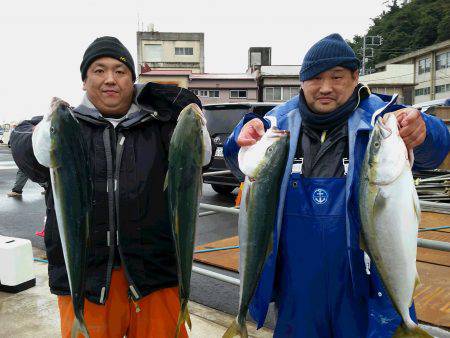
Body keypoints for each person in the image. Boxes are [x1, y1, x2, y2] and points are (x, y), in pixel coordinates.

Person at [224, 33, 449, 338]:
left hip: (367, 292)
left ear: (356, 77)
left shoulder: (383, 120)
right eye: (315, 78)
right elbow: (237, 158)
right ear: (301, 82)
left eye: (338, 76)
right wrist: (242, 134)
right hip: (297, 294)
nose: (326, 87)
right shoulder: (277, 124)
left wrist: (425, 131)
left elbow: (436, 150)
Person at [10, 36, 210, 338]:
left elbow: (200, 154)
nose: (110, 79)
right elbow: (23, 142)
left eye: (120, 70)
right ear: (84, 80)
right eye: (99, 70)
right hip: (87, 280)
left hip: (155, 277)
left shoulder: (160, 126)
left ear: (133, 79)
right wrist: (45, 133)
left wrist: (168, 99)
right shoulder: (66, 124)